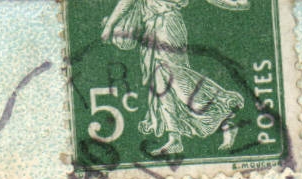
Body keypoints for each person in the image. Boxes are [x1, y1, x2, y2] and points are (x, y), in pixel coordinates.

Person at [101, 0, 245, 157]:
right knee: (160, 83)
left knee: (176, 78)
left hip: (167, 25)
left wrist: (235, 4)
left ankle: (224, 110)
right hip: (151, 27)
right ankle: (174, 137)